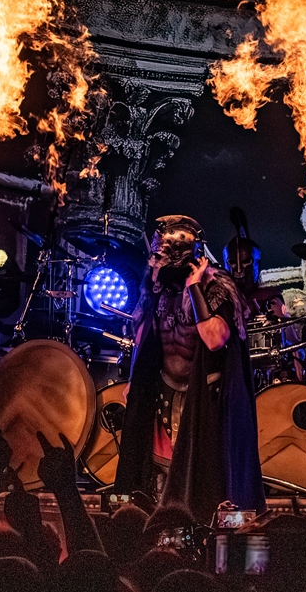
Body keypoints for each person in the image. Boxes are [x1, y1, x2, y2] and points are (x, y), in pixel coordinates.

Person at [115, 215, 265, 523]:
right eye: (155, 255)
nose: (155, 261)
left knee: (201, 478)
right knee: (159, 475)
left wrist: (194, 287)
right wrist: (133, 379)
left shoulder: (216, 285)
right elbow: (144, 332)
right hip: (163, 389)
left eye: (162, 255)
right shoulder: (157, 285)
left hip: (203, 399)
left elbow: (214, 339)